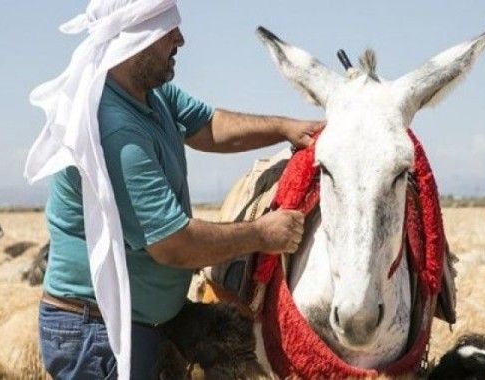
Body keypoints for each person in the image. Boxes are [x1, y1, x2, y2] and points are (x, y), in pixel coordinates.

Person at [25, 1, 319, 379]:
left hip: (134, 325)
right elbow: (172, 244)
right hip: (100, 334)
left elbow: (209, 125)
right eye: (168, 31)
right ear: (135, 41)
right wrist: (263, 234)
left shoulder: (151, 95)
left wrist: (285, 127)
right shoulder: (115, 128)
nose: (180, 38)